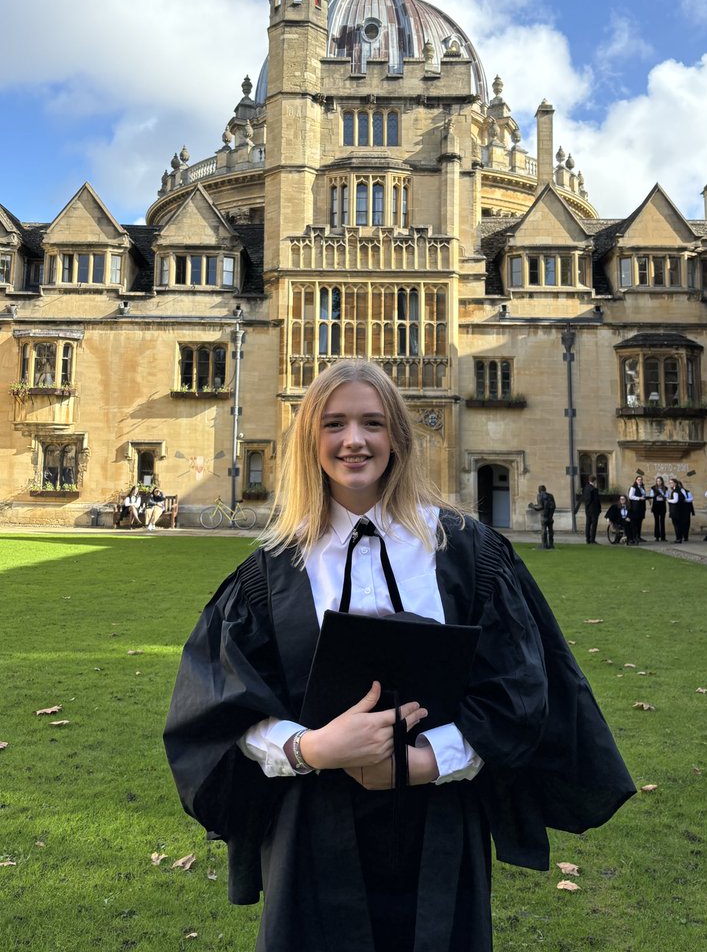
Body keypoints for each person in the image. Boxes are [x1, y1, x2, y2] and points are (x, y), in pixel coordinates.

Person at [163, 361, 635, 952]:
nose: (354, 440)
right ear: (310, 438)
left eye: (372, 423)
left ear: (399, 439)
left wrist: (424, 762)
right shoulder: (273, 570)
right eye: (334, 424)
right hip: (313, 824)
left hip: (439, 823)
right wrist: (311, 748)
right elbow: (221, 704)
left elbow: (518, 689)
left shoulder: (466, 554)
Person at [529, 484, 556, 549]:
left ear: (539, 490)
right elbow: (554, 506)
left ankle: (544, 545)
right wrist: (551, 515)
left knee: (543, 530)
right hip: (550, 516)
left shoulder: (540, 496)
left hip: (544, 516)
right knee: (550, 530)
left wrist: (532, 506)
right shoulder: (550, 495)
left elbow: (540, 507)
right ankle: (551, 545)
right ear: (545, 489)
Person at [667, 477, 690, 543]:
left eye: (672, 483)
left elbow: (675, 500)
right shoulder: (678, 490)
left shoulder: (676, 491)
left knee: (676, 524)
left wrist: (668, 500)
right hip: (678, 510)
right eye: (670, 483)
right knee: (678, 524)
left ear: (675, 483)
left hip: (675, 510)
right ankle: (679, 538)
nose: (670, 484)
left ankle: (678, 538)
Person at [579, 476, 601, 544]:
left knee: (588, 523)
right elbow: (596, 500)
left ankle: (587, 539)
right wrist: (599, 508)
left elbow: (586, 499)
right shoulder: (594, 489)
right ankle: (592, 539)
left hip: (587, 508)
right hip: (594, 509)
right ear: (594, 481)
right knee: (594, 524)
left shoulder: (585, 488)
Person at [627, 474, 647, 543]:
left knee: (640, 522)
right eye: (638, 479)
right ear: (636, 480)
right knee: (635, 522)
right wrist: (639, 498)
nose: (640, 481)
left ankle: (639, 536)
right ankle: (634, 537)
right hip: (636, 507)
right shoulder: (633, 488)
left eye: (641, 480)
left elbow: (644, 495)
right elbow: (630, 496)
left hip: (642, 507)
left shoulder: (642, 487)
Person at [650, 476, 668, 542]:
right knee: (656, 521)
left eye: (660, 481)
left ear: (662, 481)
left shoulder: (665, 488)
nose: (658, 482)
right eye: (657, 481)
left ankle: (663, 537)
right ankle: (657, 536)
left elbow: (667, 496)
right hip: (656, 506)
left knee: (662, 521)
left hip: (662, 506)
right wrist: (656, 495)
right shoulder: (653, 488)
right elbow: (651, 496)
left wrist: (662, 495)